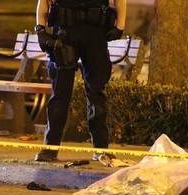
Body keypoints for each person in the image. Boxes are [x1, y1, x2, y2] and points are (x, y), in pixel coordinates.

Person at [34, 0, 126, 162]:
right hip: (65, 33)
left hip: (95, 34)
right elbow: (44, 2)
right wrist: (40, 29)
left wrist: (120, 26)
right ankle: (50, 148)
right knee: (60, 94)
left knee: (96, 93)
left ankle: (100, 148)